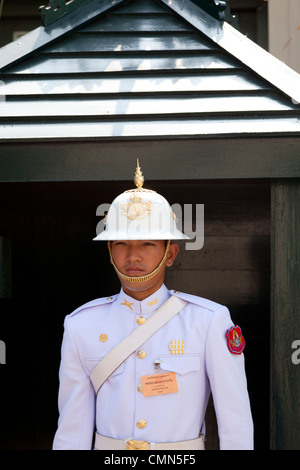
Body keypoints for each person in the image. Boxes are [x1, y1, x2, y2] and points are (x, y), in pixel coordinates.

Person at [53, 161, 253, 450]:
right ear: (109, 252)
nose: (133, 256)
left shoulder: (208, 320)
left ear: (170, 254)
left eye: (147, 244)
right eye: (121, 244)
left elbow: (236, 423)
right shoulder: (81, 325)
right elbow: (72, 429)